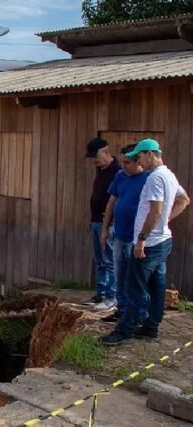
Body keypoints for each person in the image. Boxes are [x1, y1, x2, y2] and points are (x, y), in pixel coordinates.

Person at [102, 139, 190, 346]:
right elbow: (184, 199)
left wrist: (142, 239)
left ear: (150, 154)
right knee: (157, 287)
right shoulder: (169, 175)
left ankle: (124, 330)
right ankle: (151, 327)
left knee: (135, 287)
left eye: (140, 156)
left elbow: (156, 210)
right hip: (163, 240)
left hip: (149, 244)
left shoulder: (155, 178)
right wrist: (166, 221)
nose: (139, 160)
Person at [99, 144, 150, 320]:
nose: (123, 166)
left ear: (139, 161)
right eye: (122, 162)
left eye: (127, 162)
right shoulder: (120, 176)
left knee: (135, 278)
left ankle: (139, 314)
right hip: (119, 234)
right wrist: (105, 229)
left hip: (136, 239)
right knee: (120, 275)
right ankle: (121, 310)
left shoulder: (149, 178)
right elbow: (112, 202)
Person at [84, 137, 120, 306]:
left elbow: (117, 198)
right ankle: (100, 293)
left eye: (96, 157)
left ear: (106, 152)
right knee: (99, 261)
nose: (94, 161)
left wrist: (110, 219)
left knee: (110, 261)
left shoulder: (118, 171)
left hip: (109, 223)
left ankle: (111, 297)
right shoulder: (101, 170)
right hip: (96, 221)